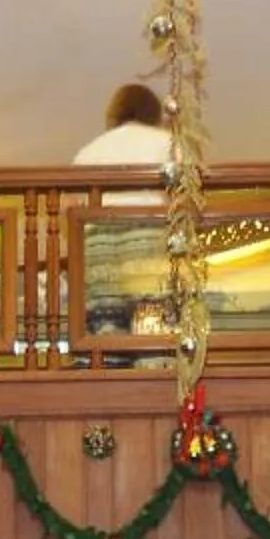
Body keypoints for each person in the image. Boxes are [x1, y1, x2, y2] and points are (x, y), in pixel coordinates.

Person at [71, 84, 175, 355]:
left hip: (97, 240)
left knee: (107, 326)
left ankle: (110, 379)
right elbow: (183, 193)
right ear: (153, 112)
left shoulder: (88, 152)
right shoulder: (166, 142)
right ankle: (151, 376)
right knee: (151, 319)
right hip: (147, 231)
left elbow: (71, 207)